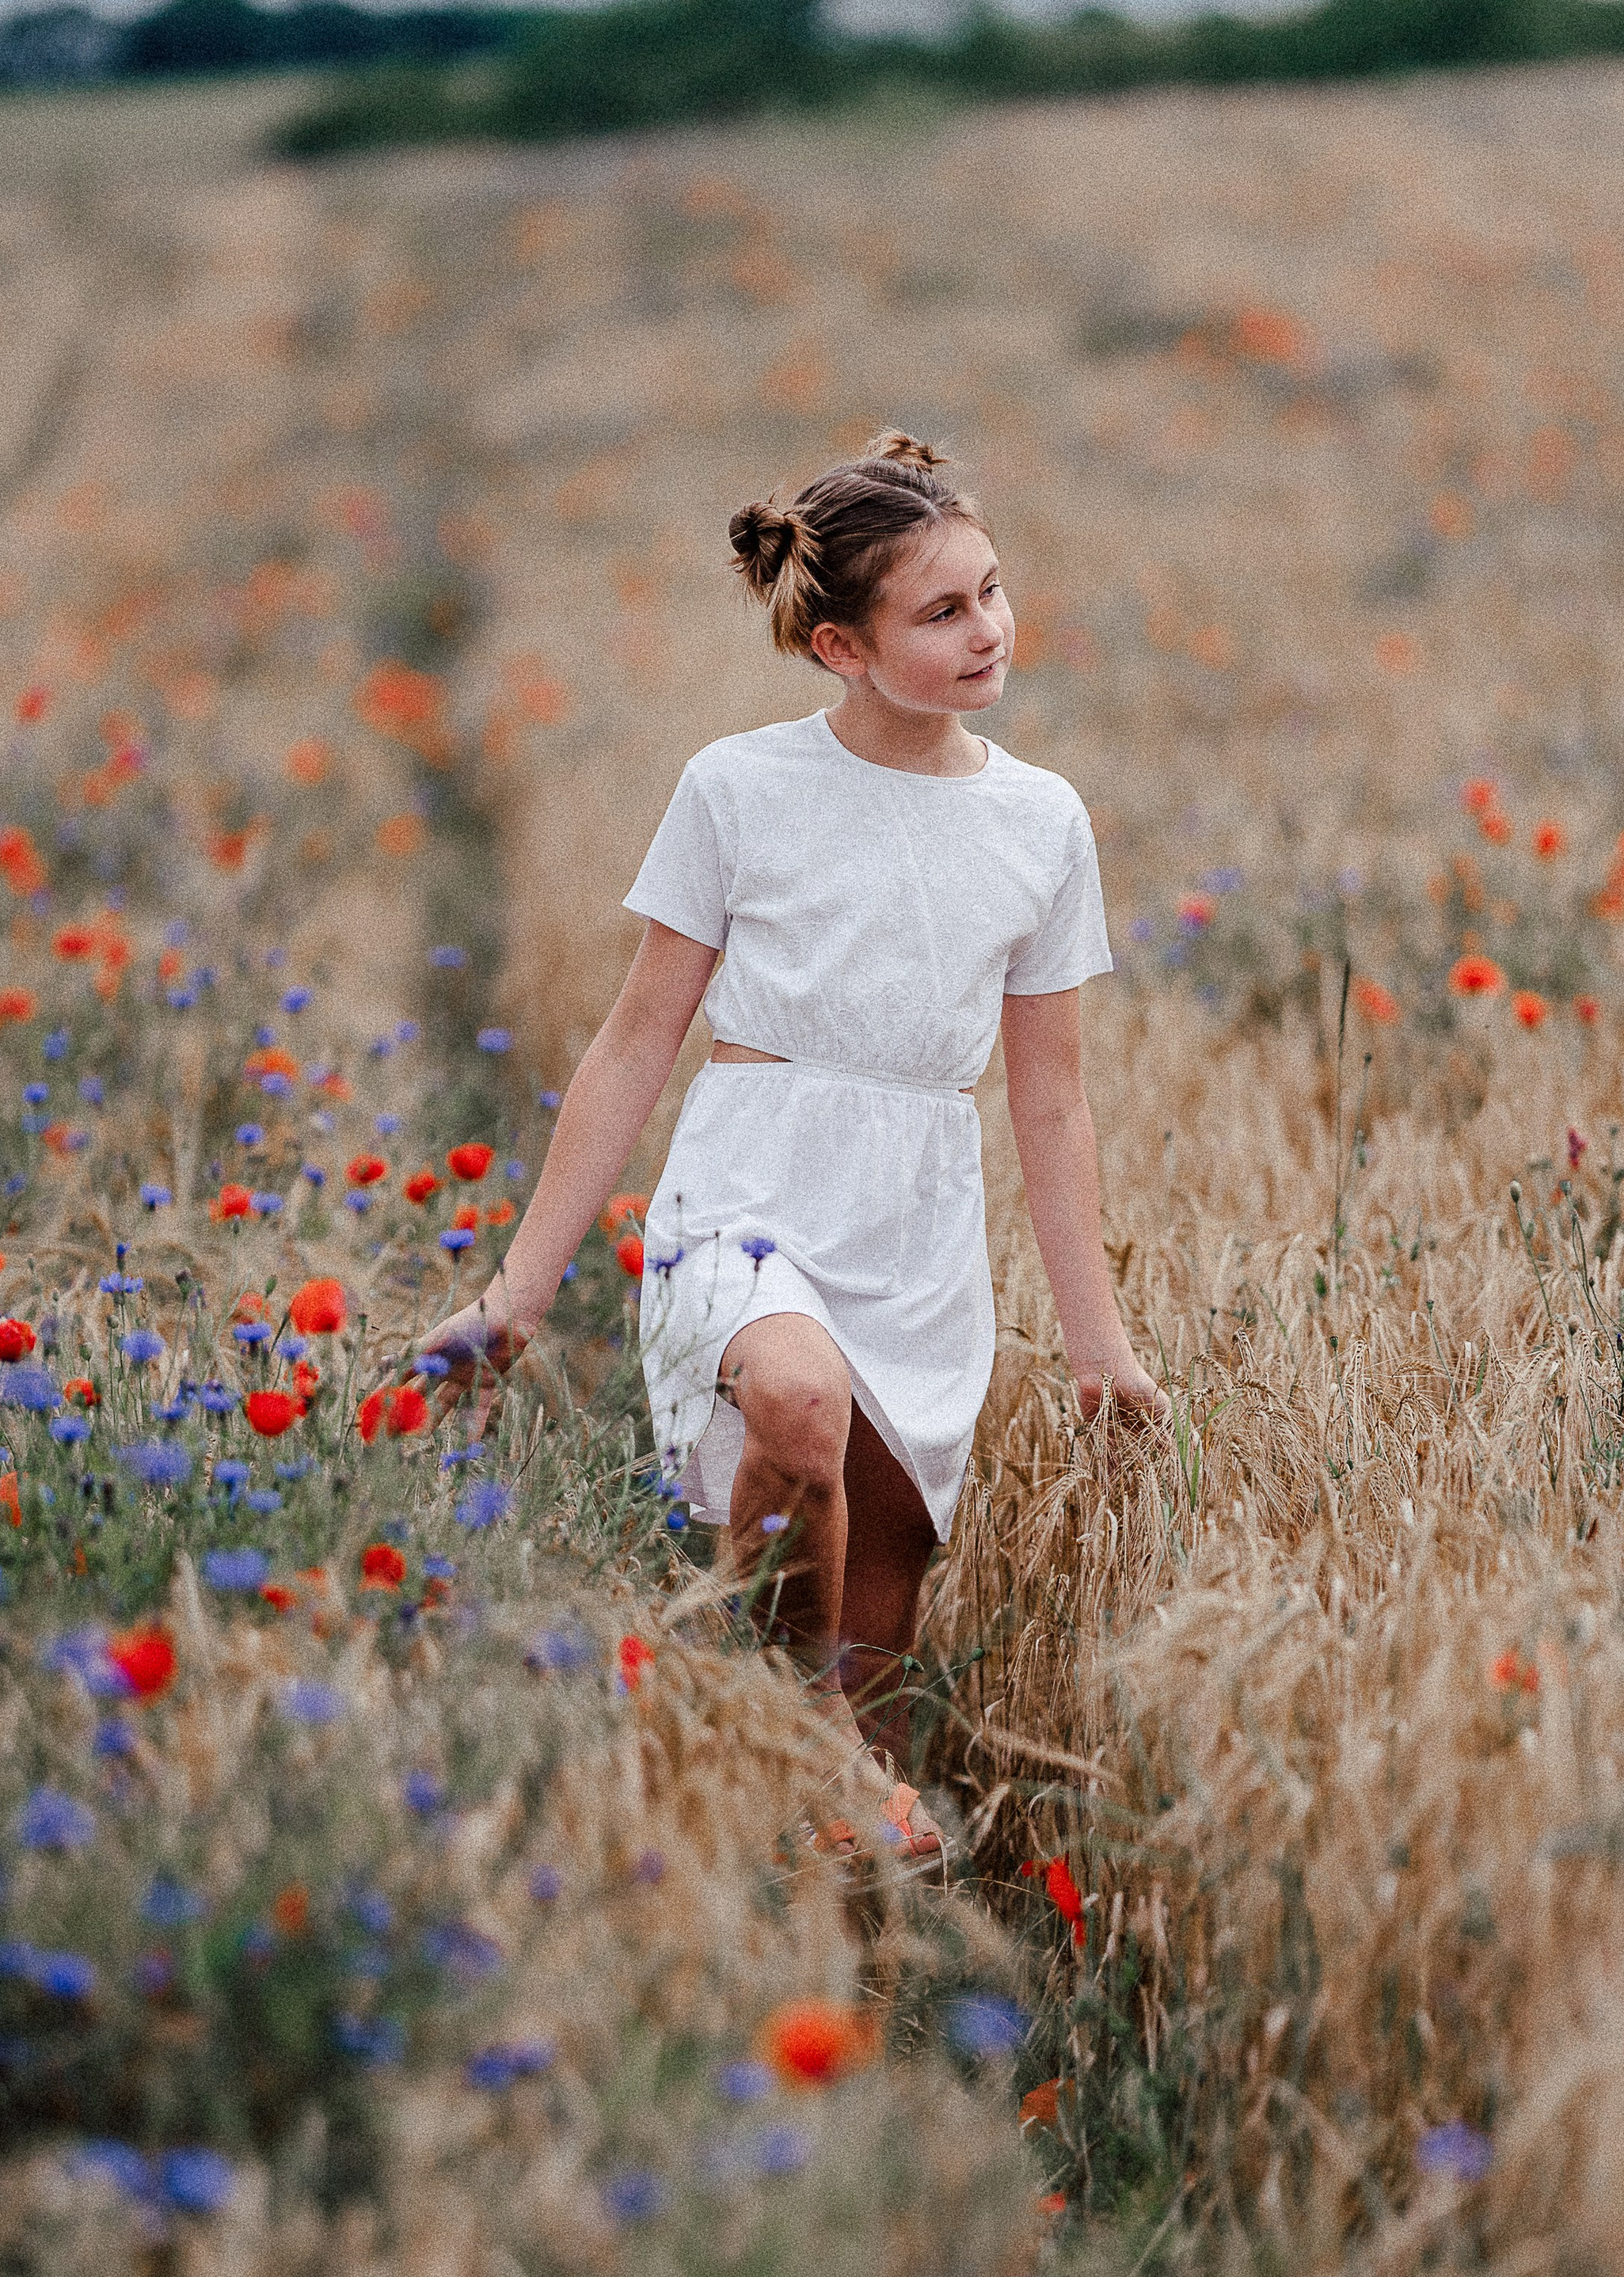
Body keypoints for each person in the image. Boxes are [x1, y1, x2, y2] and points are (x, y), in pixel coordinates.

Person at [420, 431, 1162, 1862]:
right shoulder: (737, 788)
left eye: (993, 591)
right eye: (941, 611)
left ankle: (823, 1849)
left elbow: (1052, 1103)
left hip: (919, 1225)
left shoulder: (1041, 822)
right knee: (796, 1403)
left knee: (871, 1636)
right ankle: (803, 1741)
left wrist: (1099, 1347)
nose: (989, 629)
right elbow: (634, 1042)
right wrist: (517, 1296)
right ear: (841, 646)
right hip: (749, 1188)